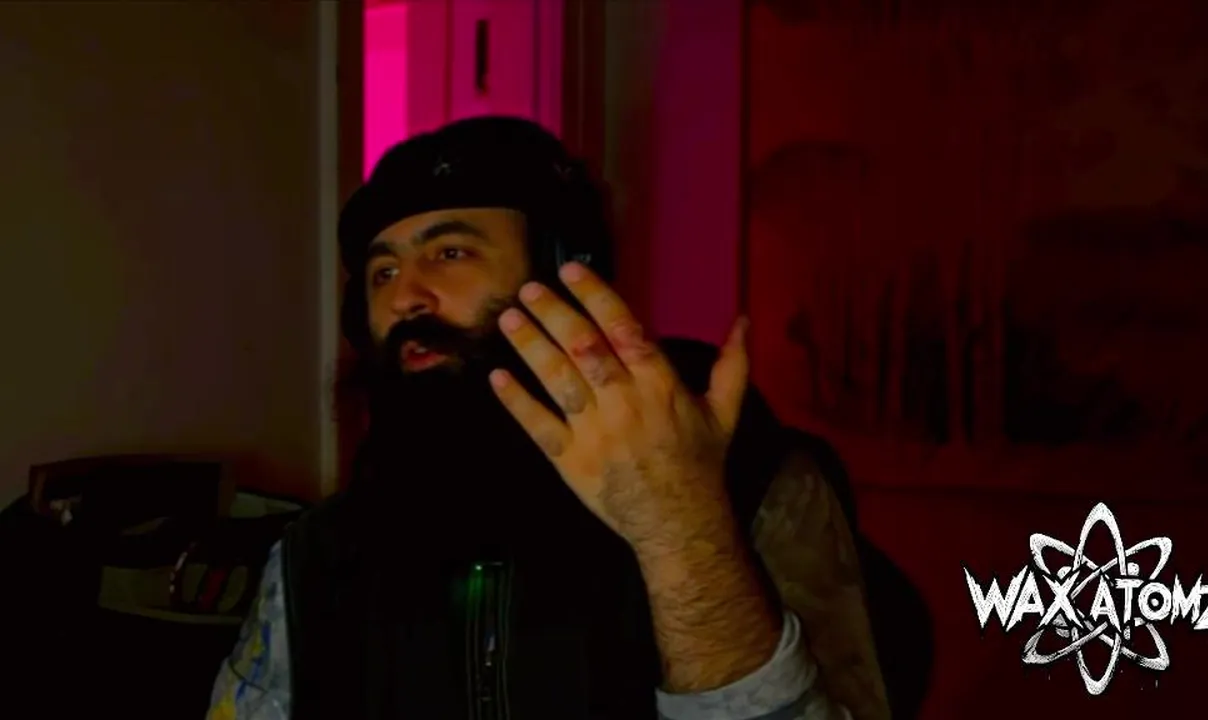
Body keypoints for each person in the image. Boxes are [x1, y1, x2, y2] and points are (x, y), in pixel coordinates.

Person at [207, 116, 889, 720]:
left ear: (566, 270)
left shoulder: (752, 483)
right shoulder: (317, 554)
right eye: (382, 272)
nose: (405, 298)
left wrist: (680, 531)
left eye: (451, 253)